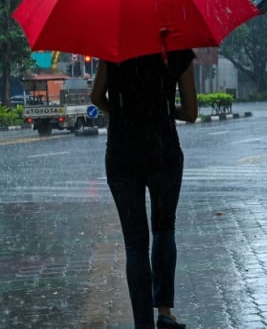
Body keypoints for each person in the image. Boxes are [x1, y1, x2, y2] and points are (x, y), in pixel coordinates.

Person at [90, 49, 198, 329]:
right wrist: (160, 108)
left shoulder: (113, 49)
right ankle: (164, 310)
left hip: (122, 154)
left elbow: (96, 97)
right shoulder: (178, 49)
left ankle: (143, 324)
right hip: (163, 151)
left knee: (135, 245)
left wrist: (126, 112)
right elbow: (191, 112)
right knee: (164, 230)